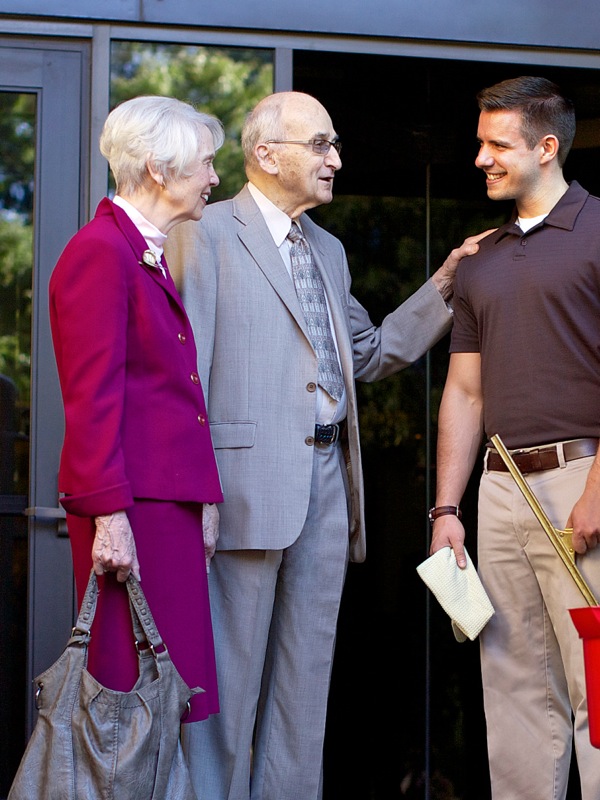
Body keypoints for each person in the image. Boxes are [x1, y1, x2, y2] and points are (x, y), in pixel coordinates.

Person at [165, 89, 486, 800]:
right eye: (321, 144)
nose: (335, 159)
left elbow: (368, 355)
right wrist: (196, 497)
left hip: (328, 490)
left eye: (334, 145)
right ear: (265, 153)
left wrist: (446, 283)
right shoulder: (203, 234)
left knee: (303, 699)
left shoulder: (329, 250)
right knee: (225, 697)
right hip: (240, 495)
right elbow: (184, 379)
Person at [430, 75, 600, 799]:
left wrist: (598, 488)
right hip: (499, 495)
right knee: (514, 696)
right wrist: (446, 510)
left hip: (580, 485)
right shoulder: (483, 261)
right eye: (481, 142)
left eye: (497, 144)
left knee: (598, 694)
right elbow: (465, 391)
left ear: (547, 147)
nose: (482, 158)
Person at [49, 95, 225, 724]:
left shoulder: (140, 250)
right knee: (128, 702)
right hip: (131, 514)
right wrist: (109, 518)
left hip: (162, 508)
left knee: (167, 700)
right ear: (158, 169)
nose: (213, 178)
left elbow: (169, 393)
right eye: (205, 164)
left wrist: (201, 498)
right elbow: (92, 398)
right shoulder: (101, 251)